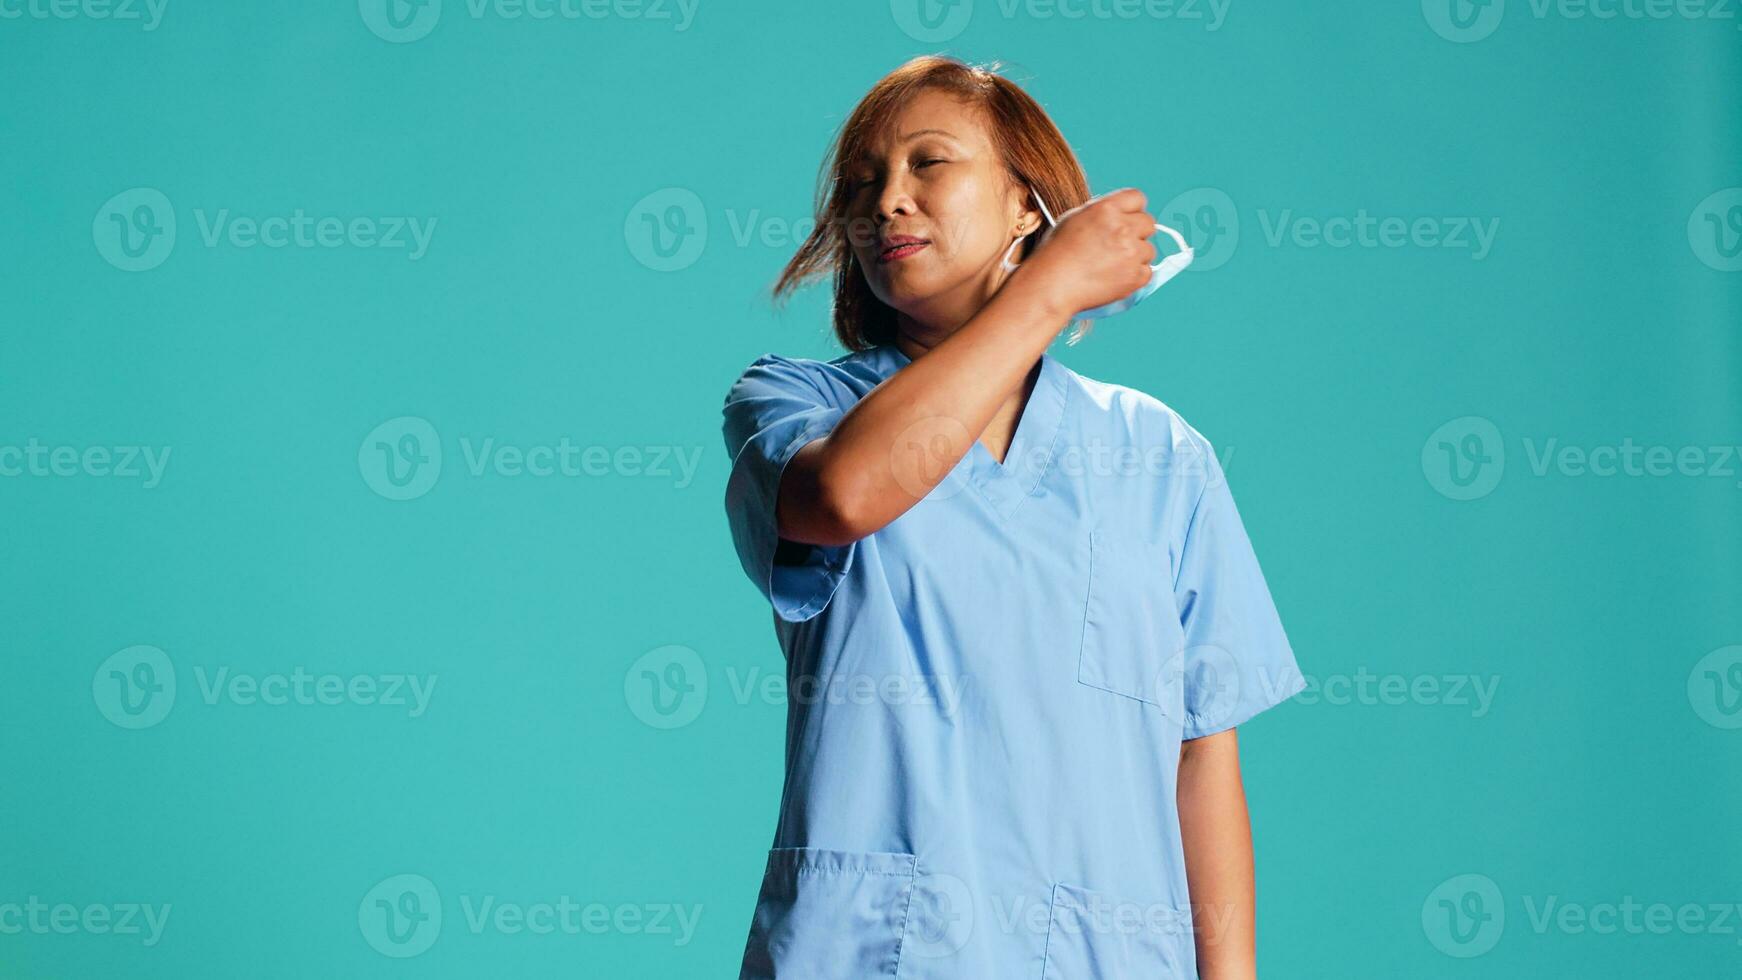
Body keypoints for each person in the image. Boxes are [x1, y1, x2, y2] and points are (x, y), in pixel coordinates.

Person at [720, 54, 1305, 980]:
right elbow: (846, 496)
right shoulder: (794, 403)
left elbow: (1203, 758)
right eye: (862, 184)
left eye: (929, 164)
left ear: (1028, 204)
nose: (887, 202)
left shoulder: (1157, 455)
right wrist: (1049, 290)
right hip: (875, 953)